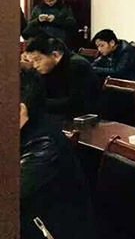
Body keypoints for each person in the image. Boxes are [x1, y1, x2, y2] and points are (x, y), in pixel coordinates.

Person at [20, 69, 97, 239]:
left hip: (50, 229)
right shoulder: (23, 130)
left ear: (20, 110)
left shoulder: (43, 144)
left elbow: (9, 194)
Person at [25, 35, 102, 123]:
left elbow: (76, 103)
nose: (35, 66)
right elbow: (37, 93)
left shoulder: (78, 66)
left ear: (55, 55)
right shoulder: (47, 68)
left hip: (82, 120)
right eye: (32, 62)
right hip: (59, 116)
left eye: (38, 60)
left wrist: (38, 103)